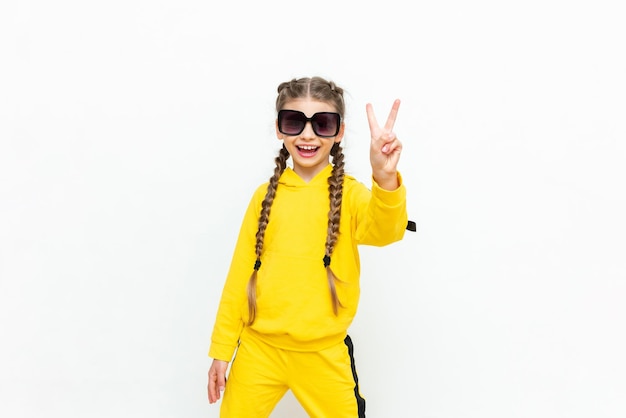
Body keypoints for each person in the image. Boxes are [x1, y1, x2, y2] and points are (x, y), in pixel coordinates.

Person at [207, 76, 410, 417]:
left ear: (339, 131)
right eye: (294, 121)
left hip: (323, 354)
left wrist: (385, 178)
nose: (307, 134)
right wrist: (221, 349)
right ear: (278, 128)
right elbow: (239, 277)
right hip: (260, 350)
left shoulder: (351, 194)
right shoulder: (263, 197)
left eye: (323, 123)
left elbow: (385, 231)